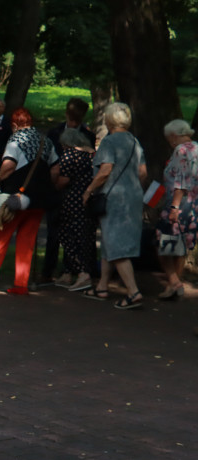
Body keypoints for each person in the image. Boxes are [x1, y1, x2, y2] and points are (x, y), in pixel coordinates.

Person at [0, 107, 59, 296]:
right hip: (38, 200)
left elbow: (8, 166)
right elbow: (55, 170)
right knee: (27, 241)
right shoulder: (47, 141)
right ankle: (21, 284)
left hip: (15, 198)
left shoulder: (16, 140)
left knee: (1, 238)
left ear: (14, 124)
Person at [81, 102, 147, 310]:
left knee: (116, 246)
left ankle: (133, 292)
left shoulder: (109, 142)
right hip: (133, 197)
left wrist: (89, 190)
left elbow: (104, 171)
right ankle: (102, 286)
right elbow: (143, 172)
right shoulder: (134, 141)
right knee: (110, 241)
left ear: (109, 120)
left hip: (114, 199)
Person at [43, 98, 98, 285]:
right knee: (55, 232)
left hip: (72, 191)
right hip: (61, 192)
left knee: (74, 233)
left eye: (78, 118)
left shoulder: (88, 135)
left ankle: (77, 270)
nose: (74, 122)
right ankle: (53, 271)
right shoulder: (55, 132)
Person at [155, 119, 197, 300]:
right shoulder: (196, 148)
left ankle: (174, 282)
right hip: (193, 206)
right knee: (179, 245)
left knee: (163, 243)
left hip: (178, 204)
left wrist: (174, 207)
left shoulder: (181, 150)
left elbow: (181, 182)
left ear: (173, 136)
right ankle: (175, 283)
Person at [54, 128, 97, 292]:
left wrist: (54, 186)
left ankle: (81, 273)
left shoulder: (69, 156)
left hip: (72, 201)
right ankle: (78, 271)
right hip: (89, 200)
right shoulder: (92, 155)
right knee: (85, 237)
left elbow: (63, 180)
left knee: (68, 236)